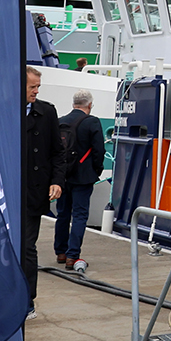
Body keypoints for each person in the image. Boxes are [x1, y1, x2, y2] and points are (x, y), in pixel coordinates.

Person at [0, 66, 63, 327]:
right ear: (18, 86)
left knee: (27, 249)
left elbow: (57, 152)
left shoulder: (47, 112)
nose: (36, 91)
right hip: (0, 194)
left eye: (38, 87)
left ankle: (27, 302)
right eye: (32, 87)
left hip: (33, 193)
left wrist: (57, 181)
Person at [53, 89, 105, 274]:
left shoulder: (60, 121)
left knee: (62, 214)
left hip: (63, 176)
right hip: (83, 177)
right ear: (89, 105)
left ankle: (60, 252)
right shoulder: (92, 122)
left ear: (73, 103)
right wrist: (96, 170)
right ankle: (72, 255)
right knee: (80, 215)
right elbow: (99, 150)